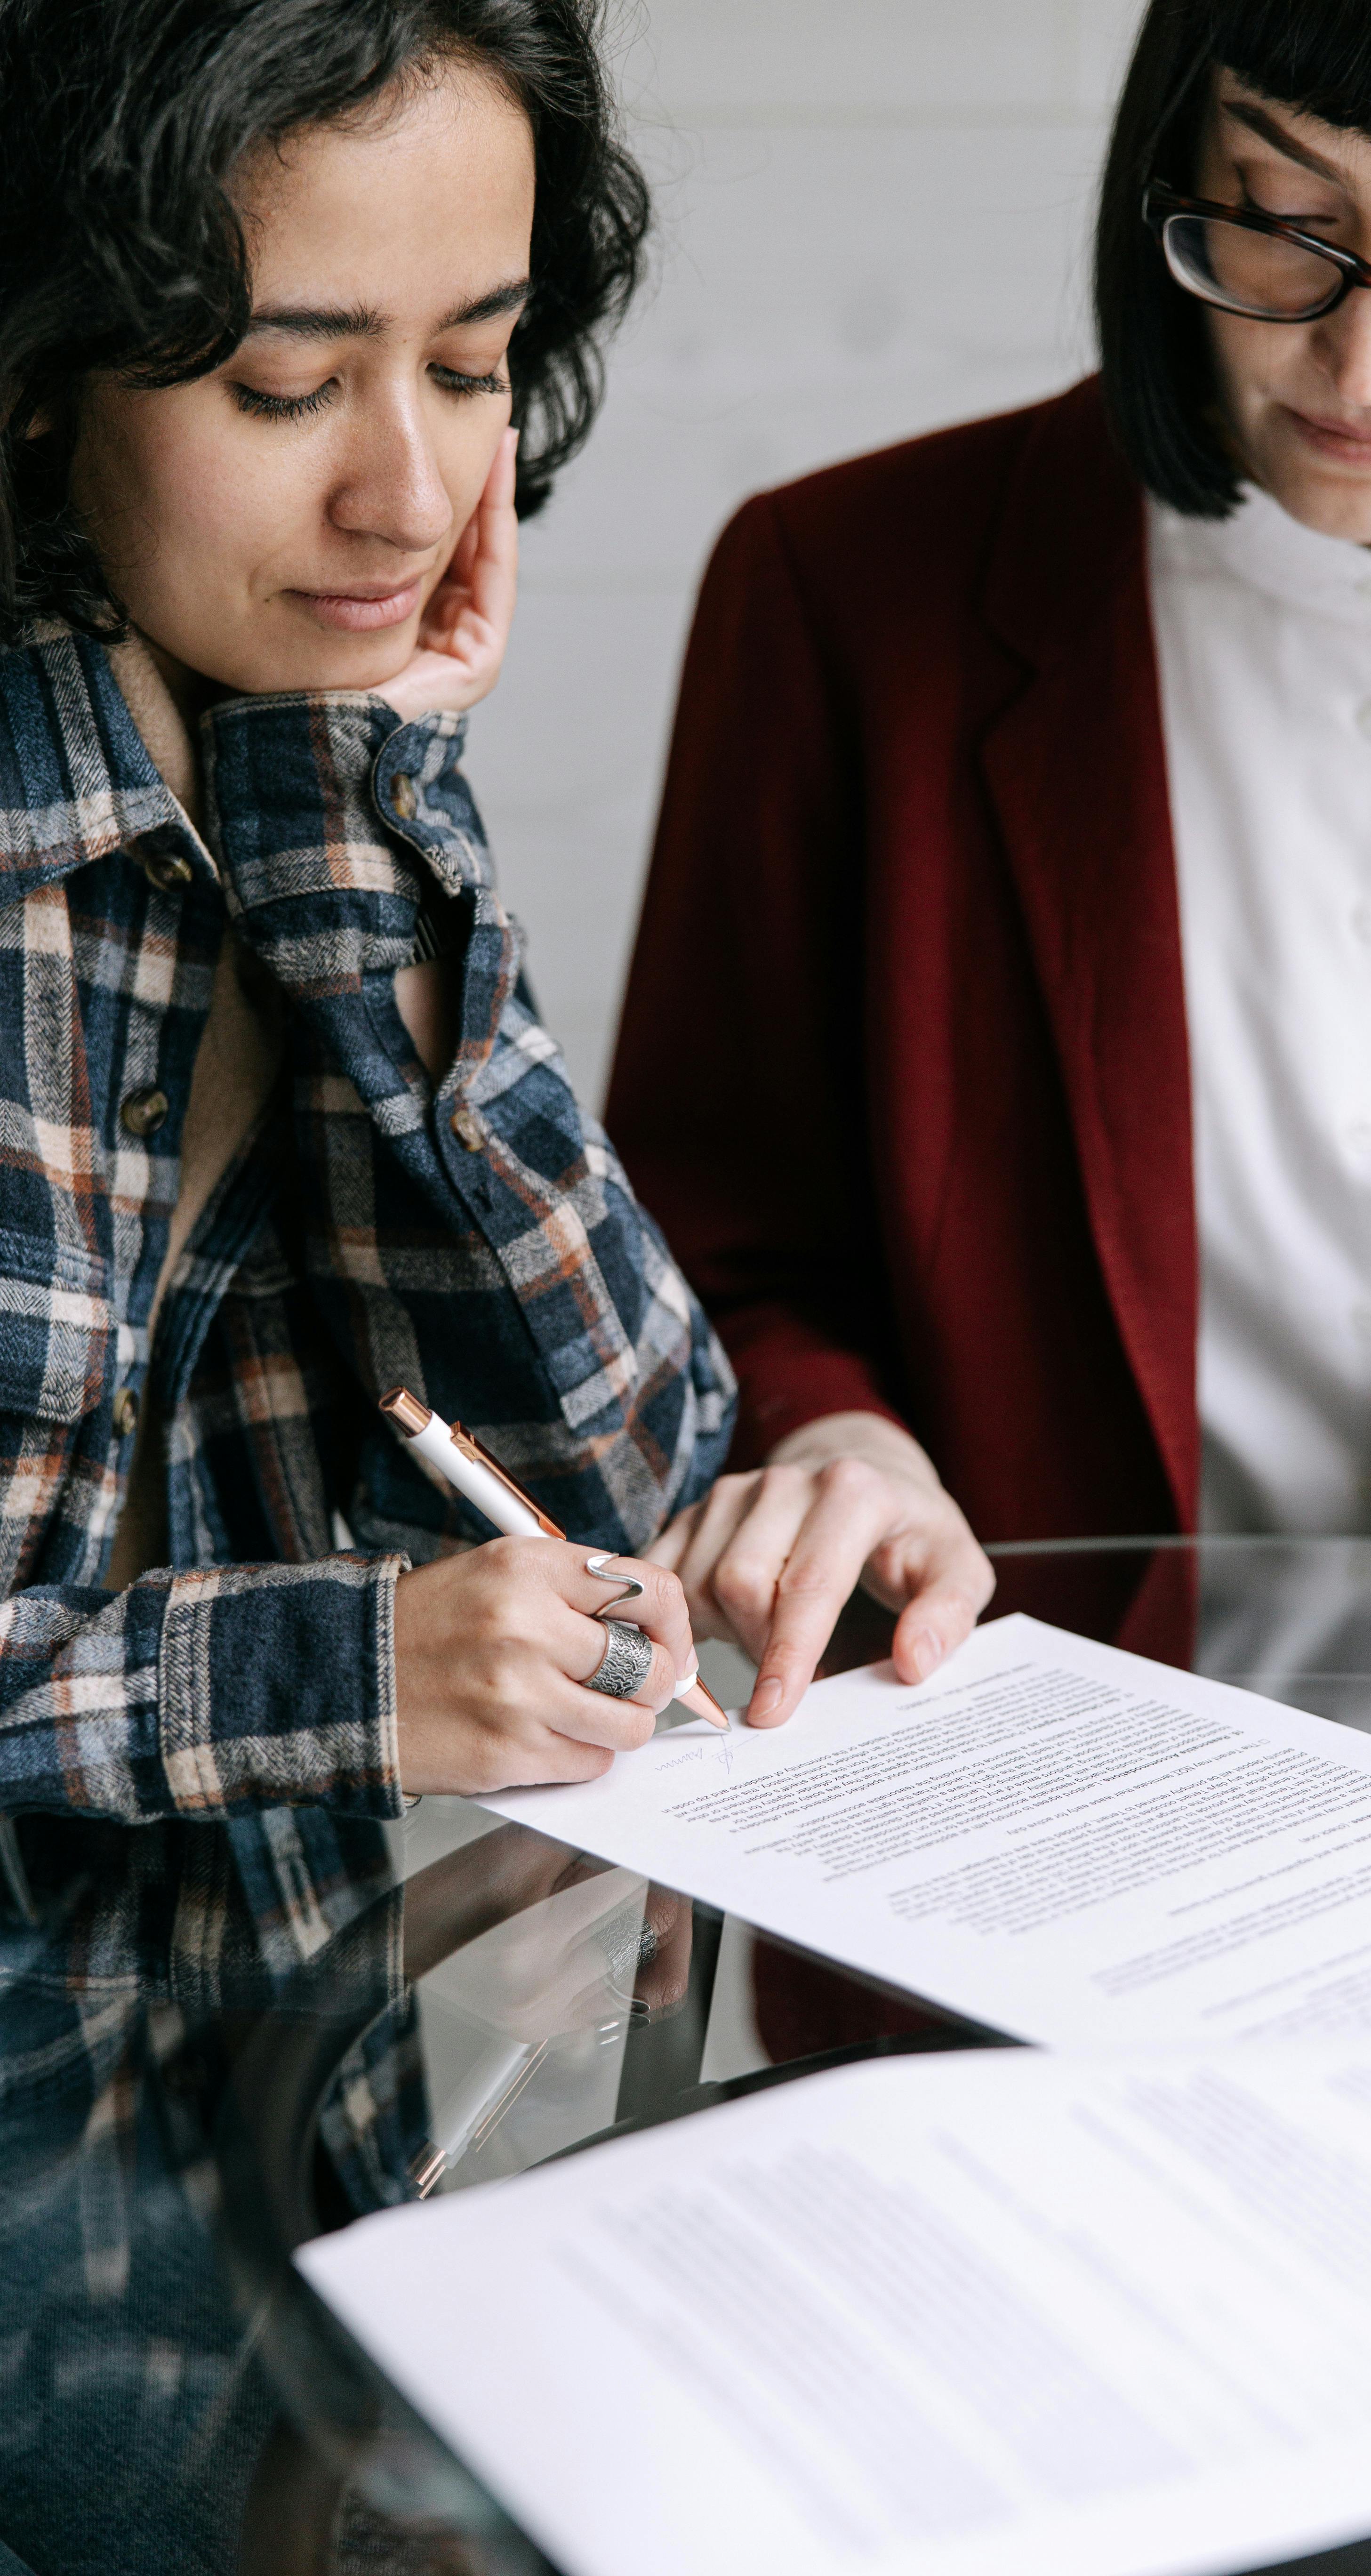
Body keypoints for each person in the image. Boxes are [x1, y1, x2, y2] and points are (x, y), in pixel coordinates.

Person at [611, 0, 1371, 1723]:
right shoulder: (840, 595)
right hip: (997, 1810)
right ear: (1172, 165)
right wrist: (832, 1437)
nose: (1363, 372)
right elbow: (706, 1236)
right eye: (1282, 221)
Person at [0, 0, 738, 1823]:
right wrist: (336, 1673)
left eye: (473, 365)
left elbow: (616, 1483)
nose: (408, 499)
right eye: (285, 386)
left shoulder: (294, 772)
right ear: (40, 365)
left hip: (276, 2073)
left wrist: (360, 818)